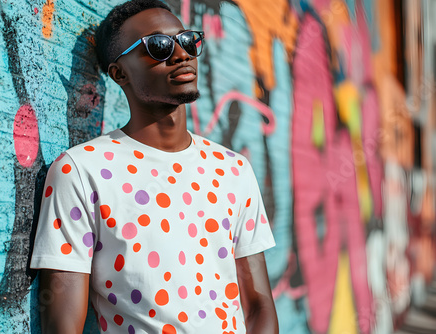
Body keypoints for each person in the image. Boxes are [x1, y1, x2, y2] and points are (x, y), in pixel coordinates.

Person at [30, 0, 278, 333]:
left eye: (188, 40)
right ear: (119, 73)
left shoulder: (234, 170)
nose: (181, 54)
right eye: (158, 46)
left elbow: (259, 304)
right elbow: (63, 326)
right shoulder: (81, 171)